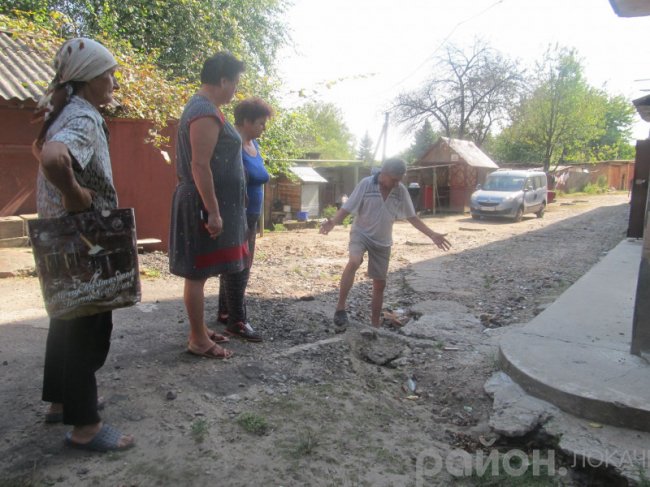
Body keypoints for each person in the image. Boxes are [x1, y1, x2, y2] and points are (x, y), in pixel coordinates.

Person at [32, 38, 134, 451]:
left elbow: (42, 150)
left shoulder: (63, 112)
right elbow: (55, 158)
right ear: (87, 78)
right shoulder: (84, 118)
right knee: (87, 328)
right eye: (106, 73)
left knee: (66, 319)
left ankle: (63, 401)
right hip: (84, 236)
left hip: (61, 236)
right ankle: (85, 426)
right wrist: (76, 196)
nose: (112, 80)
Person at [169, 52, 253, 358]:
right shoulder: (204, 111)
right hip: (201, 205)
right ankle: (198, 340)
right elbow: (200, 166)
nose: (235, 90)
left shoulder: (207, 108)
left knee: (201, 273)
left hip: (207, 202)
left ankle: (200, 330)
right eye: (235, 83)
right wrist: (214, 211)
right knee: (197, 273)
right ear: (223, 80)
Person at [320, 158, 451, 329]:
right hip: (361, 233)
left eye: (399, 180)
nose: (397, 183)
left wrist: (432, 234)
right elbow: (347, 208)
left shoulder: (400, 190)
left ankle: (375, 326)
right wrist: (333, 223)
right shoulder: (366, 184)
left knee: (380, 283)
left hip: (382, 241)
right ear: (384, 174)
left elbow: (412, 217)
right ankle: (340, 308)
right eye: (395, 179)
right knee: (354, 260)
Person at [216, 97, 273, 341]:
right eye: (260, 123)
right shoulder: (232, 144)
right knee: (239, 267)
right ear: (247, 121)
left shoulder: (253, 145)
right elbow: (225, 178)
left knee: (235, 264)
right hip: (236, 215)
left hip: (251, 216)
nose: (263, 128)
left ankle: (225, 311)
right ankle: (237, 321)